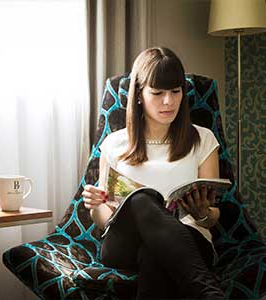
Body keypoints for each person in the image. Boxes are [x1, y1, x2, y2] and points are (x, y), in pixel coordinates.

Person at [82, 47, 225, 299]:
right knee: (141, 198)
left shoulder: (203, 139)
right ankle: (209, 292)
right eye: (158, 93)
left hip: (190, 239)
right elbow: (104, 219)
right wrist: (96, 206)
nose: (168, 101)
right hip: (123, 243)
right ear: (139, 95)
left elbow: (212, 218)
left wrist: (203, 213)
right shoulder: (114, 144)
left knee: (154, 254)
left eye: (176, 91)